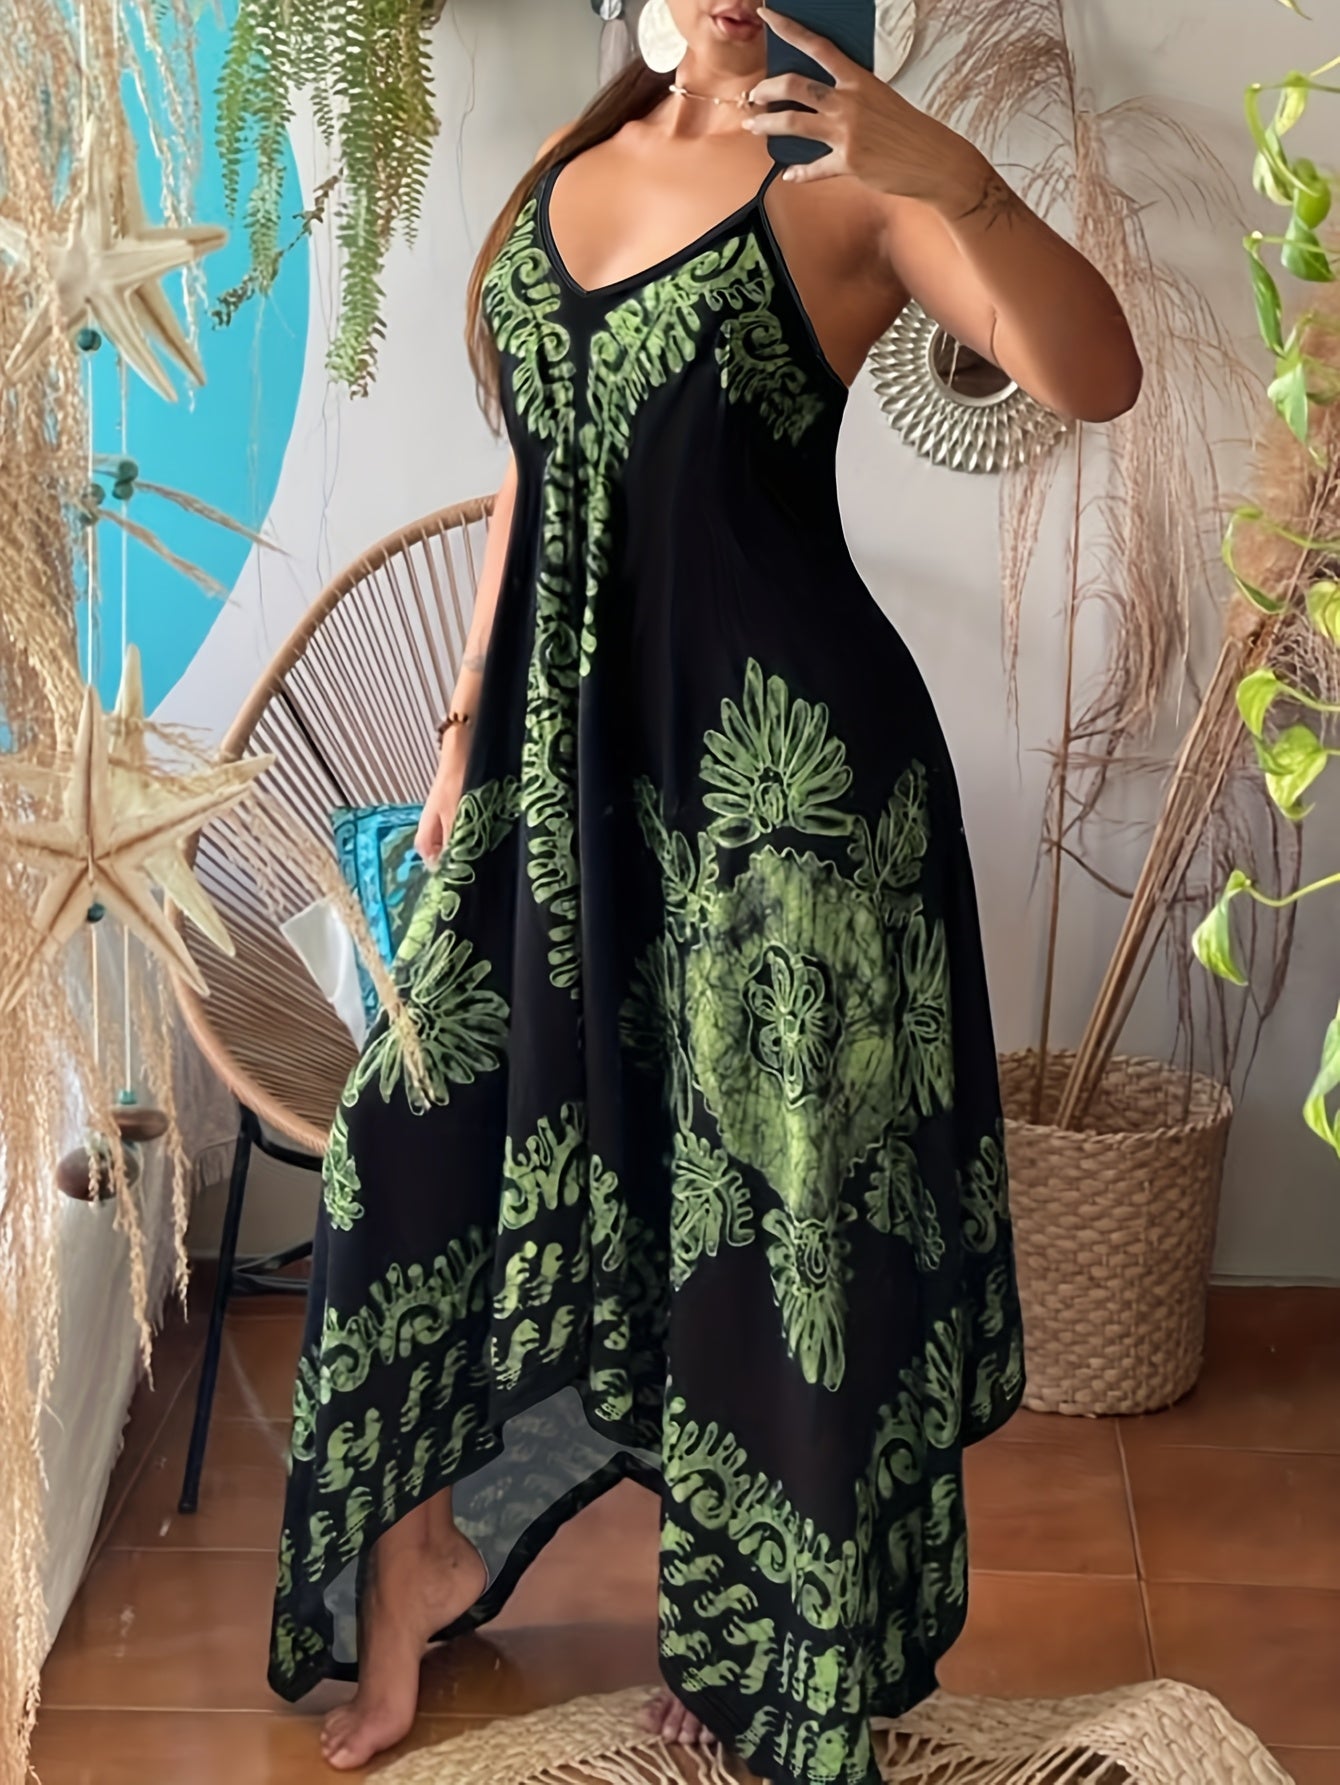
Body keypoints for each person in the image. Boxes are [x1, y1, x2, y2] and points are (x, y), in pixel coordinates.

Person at [268, 3, 1142, 1778]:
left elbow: (1096, 375)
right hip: (558, 791)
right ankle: (425, 1552)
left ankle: (766, 1656)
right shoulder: (571, 165)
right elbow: (535, 468)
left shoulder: (848, 183)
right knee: (403, 1133)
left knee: (767, 1229)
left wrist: (961, 179)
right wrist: (459, 730)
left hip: (782, 808)